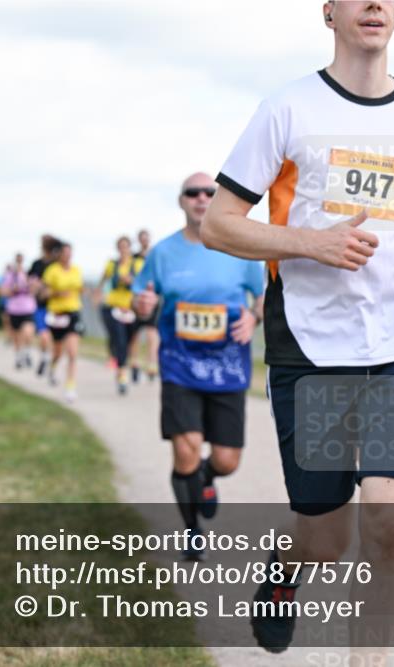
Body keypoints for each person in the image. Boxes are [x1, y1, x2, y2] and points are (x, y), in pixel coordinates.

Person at [201, 0, 394, 655]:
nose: (374, 3)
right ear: (329, 13)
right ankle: (286, 570)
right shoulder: (288, 108)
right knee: (326, 535)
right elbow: (220, 222)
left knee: (389, 514)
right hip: (311, 340)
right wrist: (308, 244)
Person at [134, 173, 265, 560]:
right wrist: (142, 305)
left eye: (210, 192)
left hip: (227, 366)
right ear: (182, 202)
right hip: (179, 364)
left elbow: (261, 300)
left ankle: (207, 478)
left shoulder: (240, 250)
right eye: (193, 193)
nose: (202, 198)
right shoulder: (162, 253)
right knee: (186, 451)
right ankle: (192, 531)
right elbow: (143, 297)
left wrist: (253, 319)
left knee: (227, 460)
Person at [98, 236, 145, 394]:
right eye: (121, 246)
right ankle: (122, 375)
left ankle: (134, 363)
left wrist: (131, 281)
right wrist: (98, 293)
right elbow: (103, 279)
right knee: (120, 340)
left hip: (131, 308)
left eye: (126, 246)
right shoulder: (112, 264)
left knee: (132, 340)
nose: (123, 249)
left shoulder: (137, 264)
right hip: (114, 306)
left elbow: (143, 282)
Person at [40, 241, 84, 402]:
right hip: (56, 315)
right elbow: (43, 293)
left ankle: (70, 386)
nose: (67, 256)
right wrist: (57, 293)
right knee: (58, 352)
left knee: (72, 352)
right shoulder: (52, 271)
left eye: (69, 253)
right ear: (59, 255)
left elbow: (79, 288)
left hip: (73, 312)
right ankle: (52, 367)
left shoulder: (76, 270)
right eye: (64, 253)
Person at [28, 235, 61, 377]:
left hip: (57, 307)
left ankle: (52, 365)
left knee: (57, 342)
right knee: (44, 335)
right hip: (41, 306)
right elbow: (30, 281)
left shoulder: (57, 265)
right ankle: (45, 357)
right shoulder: (37, 264)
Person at [0, 253, 37, 369]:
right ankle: (18, 357)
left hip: (27, 308)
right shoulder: (11, 275)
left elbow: (36, 289)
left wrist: (31, 287)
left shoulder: (28, 275)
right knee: (16, 336)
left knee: (28, 332)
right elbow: (3, 291)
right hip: (14, 309)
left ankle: (27, 352)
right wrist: (12, 290)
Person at [132, 228, 159, 382]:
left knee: (152, 334)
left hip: (151, 298)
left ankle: (151, 365)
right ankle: (135, 363)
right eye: (142, 238)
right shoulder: (133, 258)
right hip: (137, 299)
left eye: (146, 238)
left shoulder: (154, 255)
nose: (144, 241)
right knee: (135, 335)